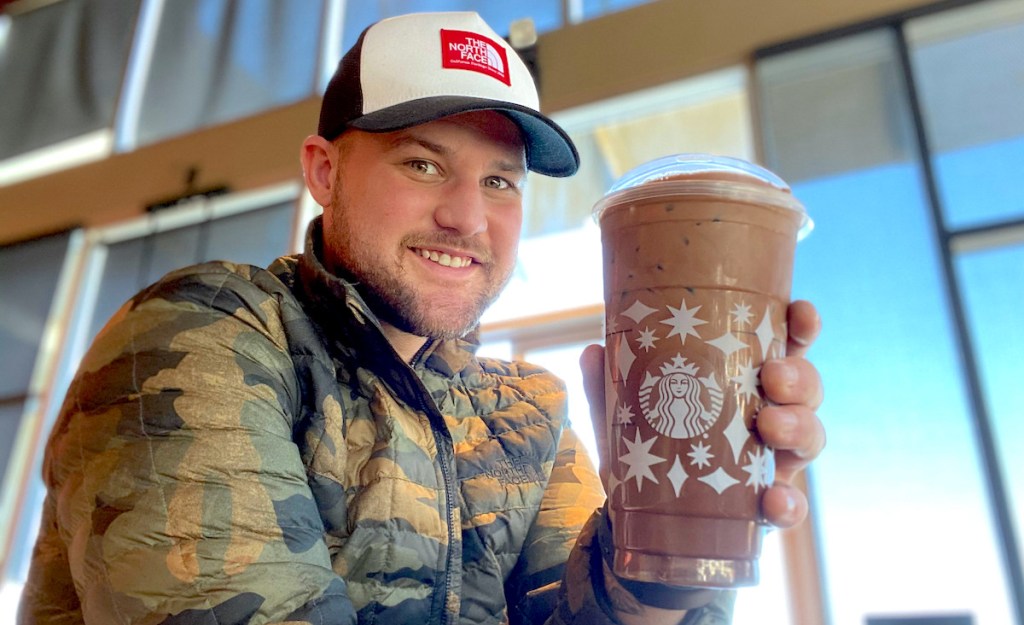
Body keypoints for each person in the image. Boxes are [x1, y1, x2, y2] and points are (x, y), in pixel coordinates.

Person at [18, 11, 825, 625]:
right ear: (324, 171)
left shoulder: (527, 409)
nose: (467, 218)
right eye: (422, 163)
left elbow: (579, 612)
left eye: (502, 183)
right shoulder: (206, 335)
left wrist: (659, 545)